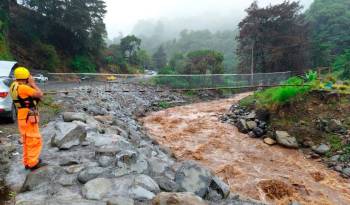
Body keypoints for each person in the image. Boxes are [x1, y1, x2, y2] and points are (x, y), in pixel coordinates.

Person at [10, 67, 46, 170]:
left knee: (26, 140)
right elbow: (39, 94)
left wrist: (29, 84)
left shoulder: (14, 86)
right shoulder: (23, 88)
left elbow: (25, 96)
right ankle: (33, 163)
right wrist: (33, 84)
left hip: (22, 116)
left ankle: (27, 162)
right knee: (34, 140)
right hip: (28, 117)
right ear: (26, 77)